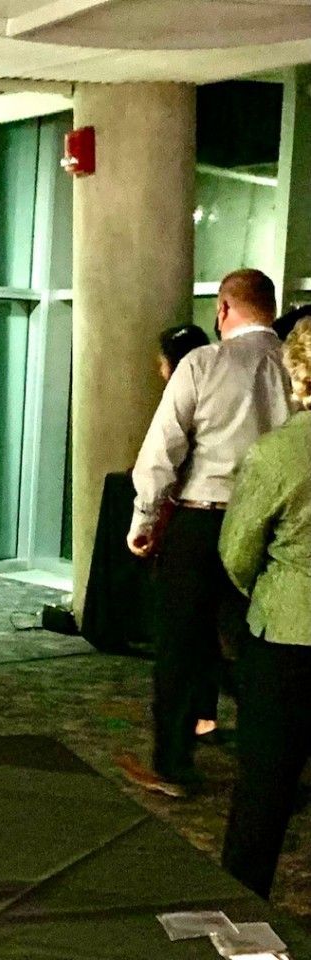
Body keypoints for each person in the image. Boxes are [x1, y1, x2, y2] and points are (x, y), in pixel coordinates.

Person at [118, 269, 290, 798]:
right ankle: (272, 766)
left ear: (222, 309)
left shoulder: (202, 363)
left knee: (181, 645)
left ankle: (173, 764)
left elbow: (163, 450)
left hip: (203, 519)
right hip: (272, 524)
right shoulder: (295, 365)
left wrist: (143, 521)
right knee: (263, 645)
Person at [219, 317, 311, 898]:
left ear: (300, 373)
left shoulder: (277, 454)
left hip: (286, 640)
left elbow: (237, 552)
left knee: (263, 794)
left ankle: (240, 915)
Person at [155, 324, 221, 738]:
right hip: (238, 517)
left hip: (193, 517)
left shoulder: (188, 384)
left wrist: (144, 522)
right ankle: (207, 711)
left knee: (181, 633)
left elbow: (163, 459)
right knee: (218, 628)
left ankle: (173, 755)